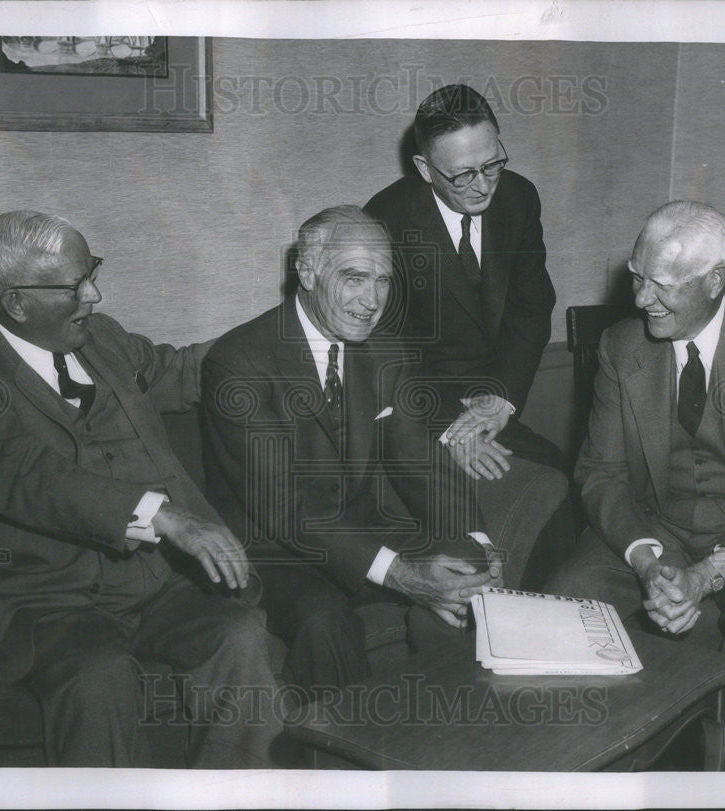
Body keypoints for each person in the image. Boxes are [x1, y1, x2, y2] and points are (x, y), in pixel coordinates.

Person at [0, 211, 284, 768]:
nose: (96, 294)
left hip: (152, 587)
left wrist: (299, 323)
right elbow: (26, 475)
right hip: (35, 602)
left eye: (92, 272)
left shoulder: (100, 340)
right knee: (99, 676)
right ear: (16, 303)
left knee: (239, 638)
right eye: (76, 285)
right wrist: (162, 516)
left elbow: (185, 371)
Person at [201, 205, 542, 695]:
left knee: (467, 570)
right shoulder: (239, 363)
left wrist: (479, 544)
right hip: (273, 549)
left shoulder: (387, 351)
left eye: (383, 280)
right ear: (307, 270)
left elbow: (421, 462)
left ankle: (456, 729)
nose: (372, 301)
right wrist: (402, 574)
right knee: (324, 620)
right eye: (355, 278)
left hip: (360, 528)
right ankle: (358, 755)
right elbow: (287, 509)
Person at [545, 201, 725, 771]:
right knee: (570, 589)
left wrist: (707, 573)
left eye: (661, 286)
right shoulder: (622, 345)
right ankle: (592, 775)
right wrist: (646, 559)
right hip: (655, 527)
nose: (641, 300)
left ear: (716, 281)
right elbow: (601, 472)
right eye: (637, 278)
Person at [364, 83, 570, 587]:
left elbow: (531, 307)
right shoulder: (386, 220)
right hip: (418, 414)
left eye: (493, 163)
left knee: (567, 488)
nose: (483, 186)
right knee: (475, 521)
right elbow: (381, 351)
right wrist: (447, 431)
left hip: (492, 398)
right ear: (424, 170)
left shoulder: (519, 198)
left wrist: (500, 400)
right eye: (462, 175)